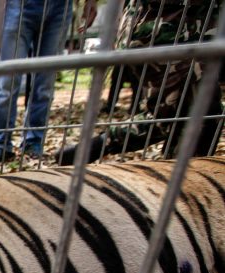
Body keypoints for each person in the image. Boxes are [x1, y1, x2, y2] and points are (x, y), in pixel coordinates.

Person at [57, 0, 221, 165]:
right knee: (170, 117)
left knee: (202, 115)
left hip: (189, 33)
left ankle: (180, 179)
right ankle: (100, 144)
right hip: (166, 33)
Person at [0, 0, 97, 163]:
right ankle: (0, 145)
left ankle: (33, 143)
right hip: (18, 5)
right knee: (8, 82)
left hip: (60, 7)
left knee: (45, 85)